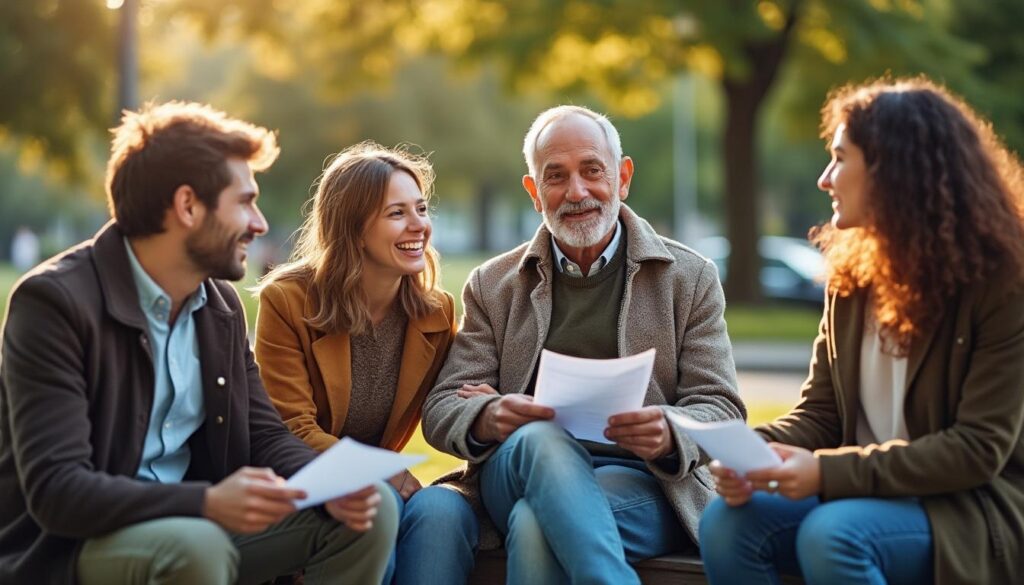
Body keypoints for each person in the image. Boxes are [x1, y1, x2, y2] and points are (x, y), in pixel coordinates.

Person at [0, 102, 399, 585]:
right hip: (76, 547)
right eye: (244, 202)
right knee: (197, 545)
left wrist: (330, 483)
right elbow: (58, 490)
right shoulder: (55, 303)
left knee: (369, 513)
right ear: (188, 206)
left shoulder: (219, 307)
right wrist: (205, 503)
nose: (259, 223)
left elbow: (265, 435)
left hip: (199, 527)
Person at [699, 77, 1024, 585]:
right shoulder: (849, 280)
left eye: (840, 158)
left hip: (967, 508)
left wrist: (825, 474)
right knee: (729, 524)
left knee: (835, 534)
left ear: (894, 170)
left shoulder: (1003, 282)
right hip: (861, 494)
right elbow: (821, 414)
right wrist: (753, 454)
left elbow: (977, 449)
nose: (825, 178)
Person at [422, 105, 745, 584]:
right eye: (556, 177)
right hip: (516, 468)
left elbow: (722, 407)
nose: (577, 192)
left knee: (536, 526)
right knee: (537, 438)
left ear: (622, 176)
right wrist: (489, 416)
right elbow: (443, 405)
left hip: (643, 484)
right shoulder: (493, 284)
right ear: (534, 192)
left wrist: (670, 430)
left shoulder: (689, 277)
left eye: (592, 171)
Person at [254, 142, 478, 585]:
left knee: (444, 509)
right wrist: (380, 470)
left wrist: (483, 396)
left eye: (420, 208)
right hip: (305, 482)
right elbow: (292, 429)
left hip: (380, 485)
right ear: (354, 229)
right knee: (379, 500)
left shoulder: (434, 312)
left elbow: (453, 390)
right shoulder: (288, 301)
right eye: (397, 213)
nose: (419, 225)